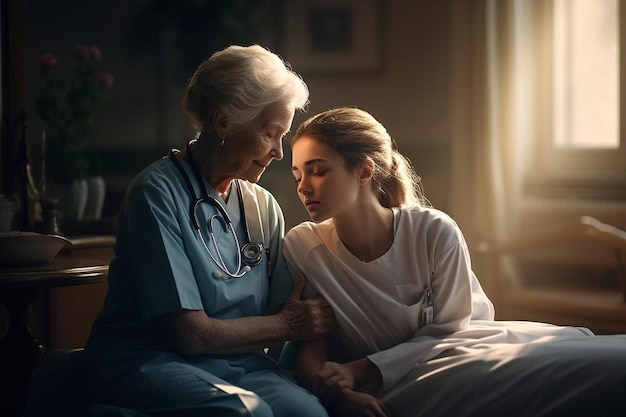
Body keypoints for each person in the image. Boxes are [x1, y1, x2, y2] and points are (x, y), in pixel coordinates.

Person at [283, 106, 626, 417]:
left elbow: (450, 330)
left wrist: (356, 371)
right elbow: (308, 350)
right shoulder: (303, 247)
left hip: (460, 355)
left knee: (598, 363)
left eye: (318, 171)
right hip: (402, 384)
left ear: (364, 171)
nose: (304, 187)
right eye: (298, 175)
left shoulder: (433, 231)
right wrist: (339, 395)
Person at [80, 45, 334, 417]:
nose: (279, 152)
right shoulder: (155, 193)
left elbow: (286, 309)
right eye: (270, 133)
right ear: (224, 122)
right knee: (247, 413)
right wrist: (287, 325)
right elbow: (191, 335)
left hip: (238, 364)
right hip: (149, 360)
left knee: (308, 413)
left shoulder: (263, 206)